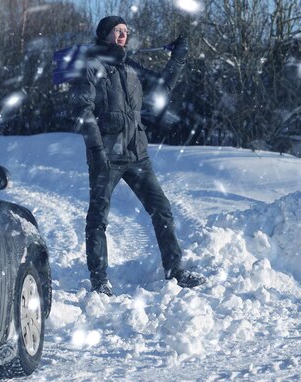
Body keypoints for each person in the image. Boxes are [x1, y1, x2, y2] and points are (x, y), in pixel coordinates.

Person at [69, 15, 205, 296]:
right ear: (105, 34)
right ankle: (99, 280)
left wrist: (177, 59)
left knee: (162, 208)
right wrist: (96, 150)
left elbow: (162, 88)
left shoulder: (130, 66)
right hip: (106, 154)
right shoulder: (91, 66)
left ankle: (175, 271)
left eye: (126, 31)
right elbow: (82, 111)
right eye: (117, 31)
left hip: (136, 153)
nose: (123, 35)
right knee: (98, 217)